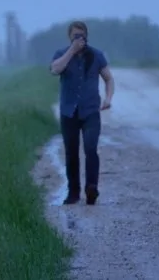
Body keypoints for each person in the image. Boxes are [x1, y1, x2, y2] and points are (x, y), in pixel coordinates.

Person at [49, 20, 115, 205]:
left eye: (82, 35)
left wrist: (108, 99)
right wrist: (72, 51)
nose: (79, 39)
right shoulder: (61, 54)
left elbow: (109, 79)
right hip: (69, 111)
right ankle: (73, 192)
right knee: (71, 152)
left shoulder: (96, 55)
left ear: (87, 35)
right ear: (70, 37)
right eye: (75, 36)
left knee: (91, 148)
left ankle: (91, 187)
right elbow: (55, 70)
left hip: (91, 110)